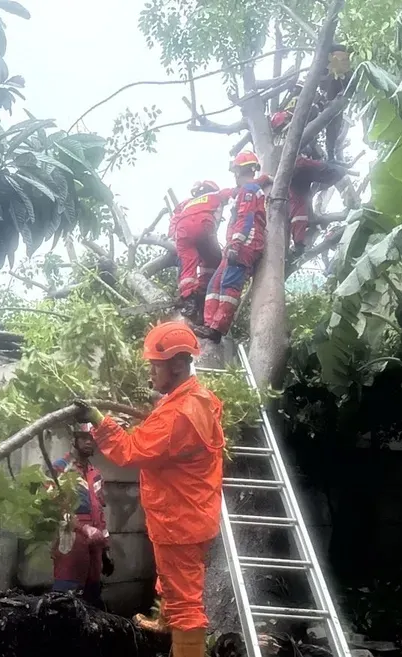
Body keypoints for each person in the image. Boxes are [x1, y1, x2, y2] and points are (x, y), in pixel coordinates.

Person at [73, 321, 225, 657]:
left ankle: (185, 644)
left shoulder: (178, 415)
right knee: (170, 580)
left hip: (180, 520)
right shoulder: (199, 399)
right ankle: (163, 622)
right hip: (188, 512)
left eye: (155, 366)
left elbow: (128, 452)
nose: (151, 373)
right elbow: (164, 441)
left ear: (177, 364)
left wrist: (99, 420)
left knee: (186, 602)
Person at [203, 151, 268, 338]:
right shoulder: (249, 189)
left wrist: (236, 244)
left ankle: (217, 329)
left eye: (235, 172)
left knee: (228, 287)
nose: (234, 176)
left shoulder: (248, 190)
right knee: (214, 285)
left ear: (239, 171)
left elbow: (245, 218)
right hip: (235, 245)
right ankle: (209, 324)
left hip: (244, 245)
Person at [48, 423, 114, 608]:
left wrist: (106, 550)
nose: (89, 442)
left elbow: (100, 514)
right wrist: (84, 528)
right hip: (71, 539)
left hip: (95, 543)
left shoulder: (96, 474)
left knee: (92, 598)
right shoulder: (60, 468)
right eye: (84, 438)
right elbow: (55, 509)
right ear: (73, 440)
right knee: (65, 599)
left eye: (92, 439)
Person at [169, 180, 231, 322]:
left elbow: (174, 219)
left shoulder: (186, 203)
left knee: (187, 268)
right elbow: (239, 190)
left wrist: (174, 236)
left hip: (183, 232)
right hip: (204, 228)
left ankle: (189, 299)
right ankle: (204, 291)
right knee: (213, 262)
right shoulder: (216, 195)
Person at [286, 156, 348, 255]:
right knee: (300, 214)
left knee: (300, 212)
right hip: (304, 175)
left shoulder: (300, 196)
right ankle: (299, 245)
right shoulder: (303, 166)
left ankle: (299, 245)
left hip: (301, 181)